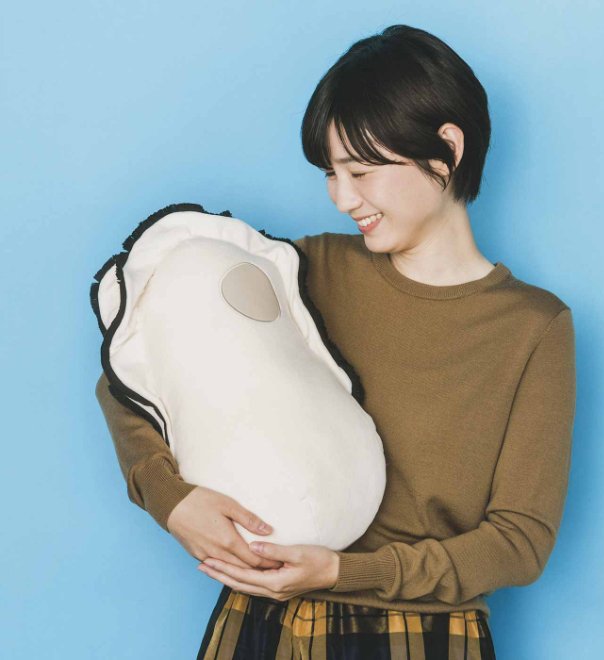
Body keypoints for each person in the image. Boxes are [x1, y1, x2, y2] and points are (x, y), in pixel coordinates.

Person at [94, 24, 576, 660]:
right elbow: (134, 366)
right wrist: (171, 500)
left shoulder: (532, 326)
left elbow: (519, 542)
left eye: (362, 171)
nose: (343, 198)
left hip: (421, 635)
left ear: (446, 151)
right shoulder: (303, 270)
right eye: (330, 173)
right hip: (263, 619)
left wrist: (343, 572)